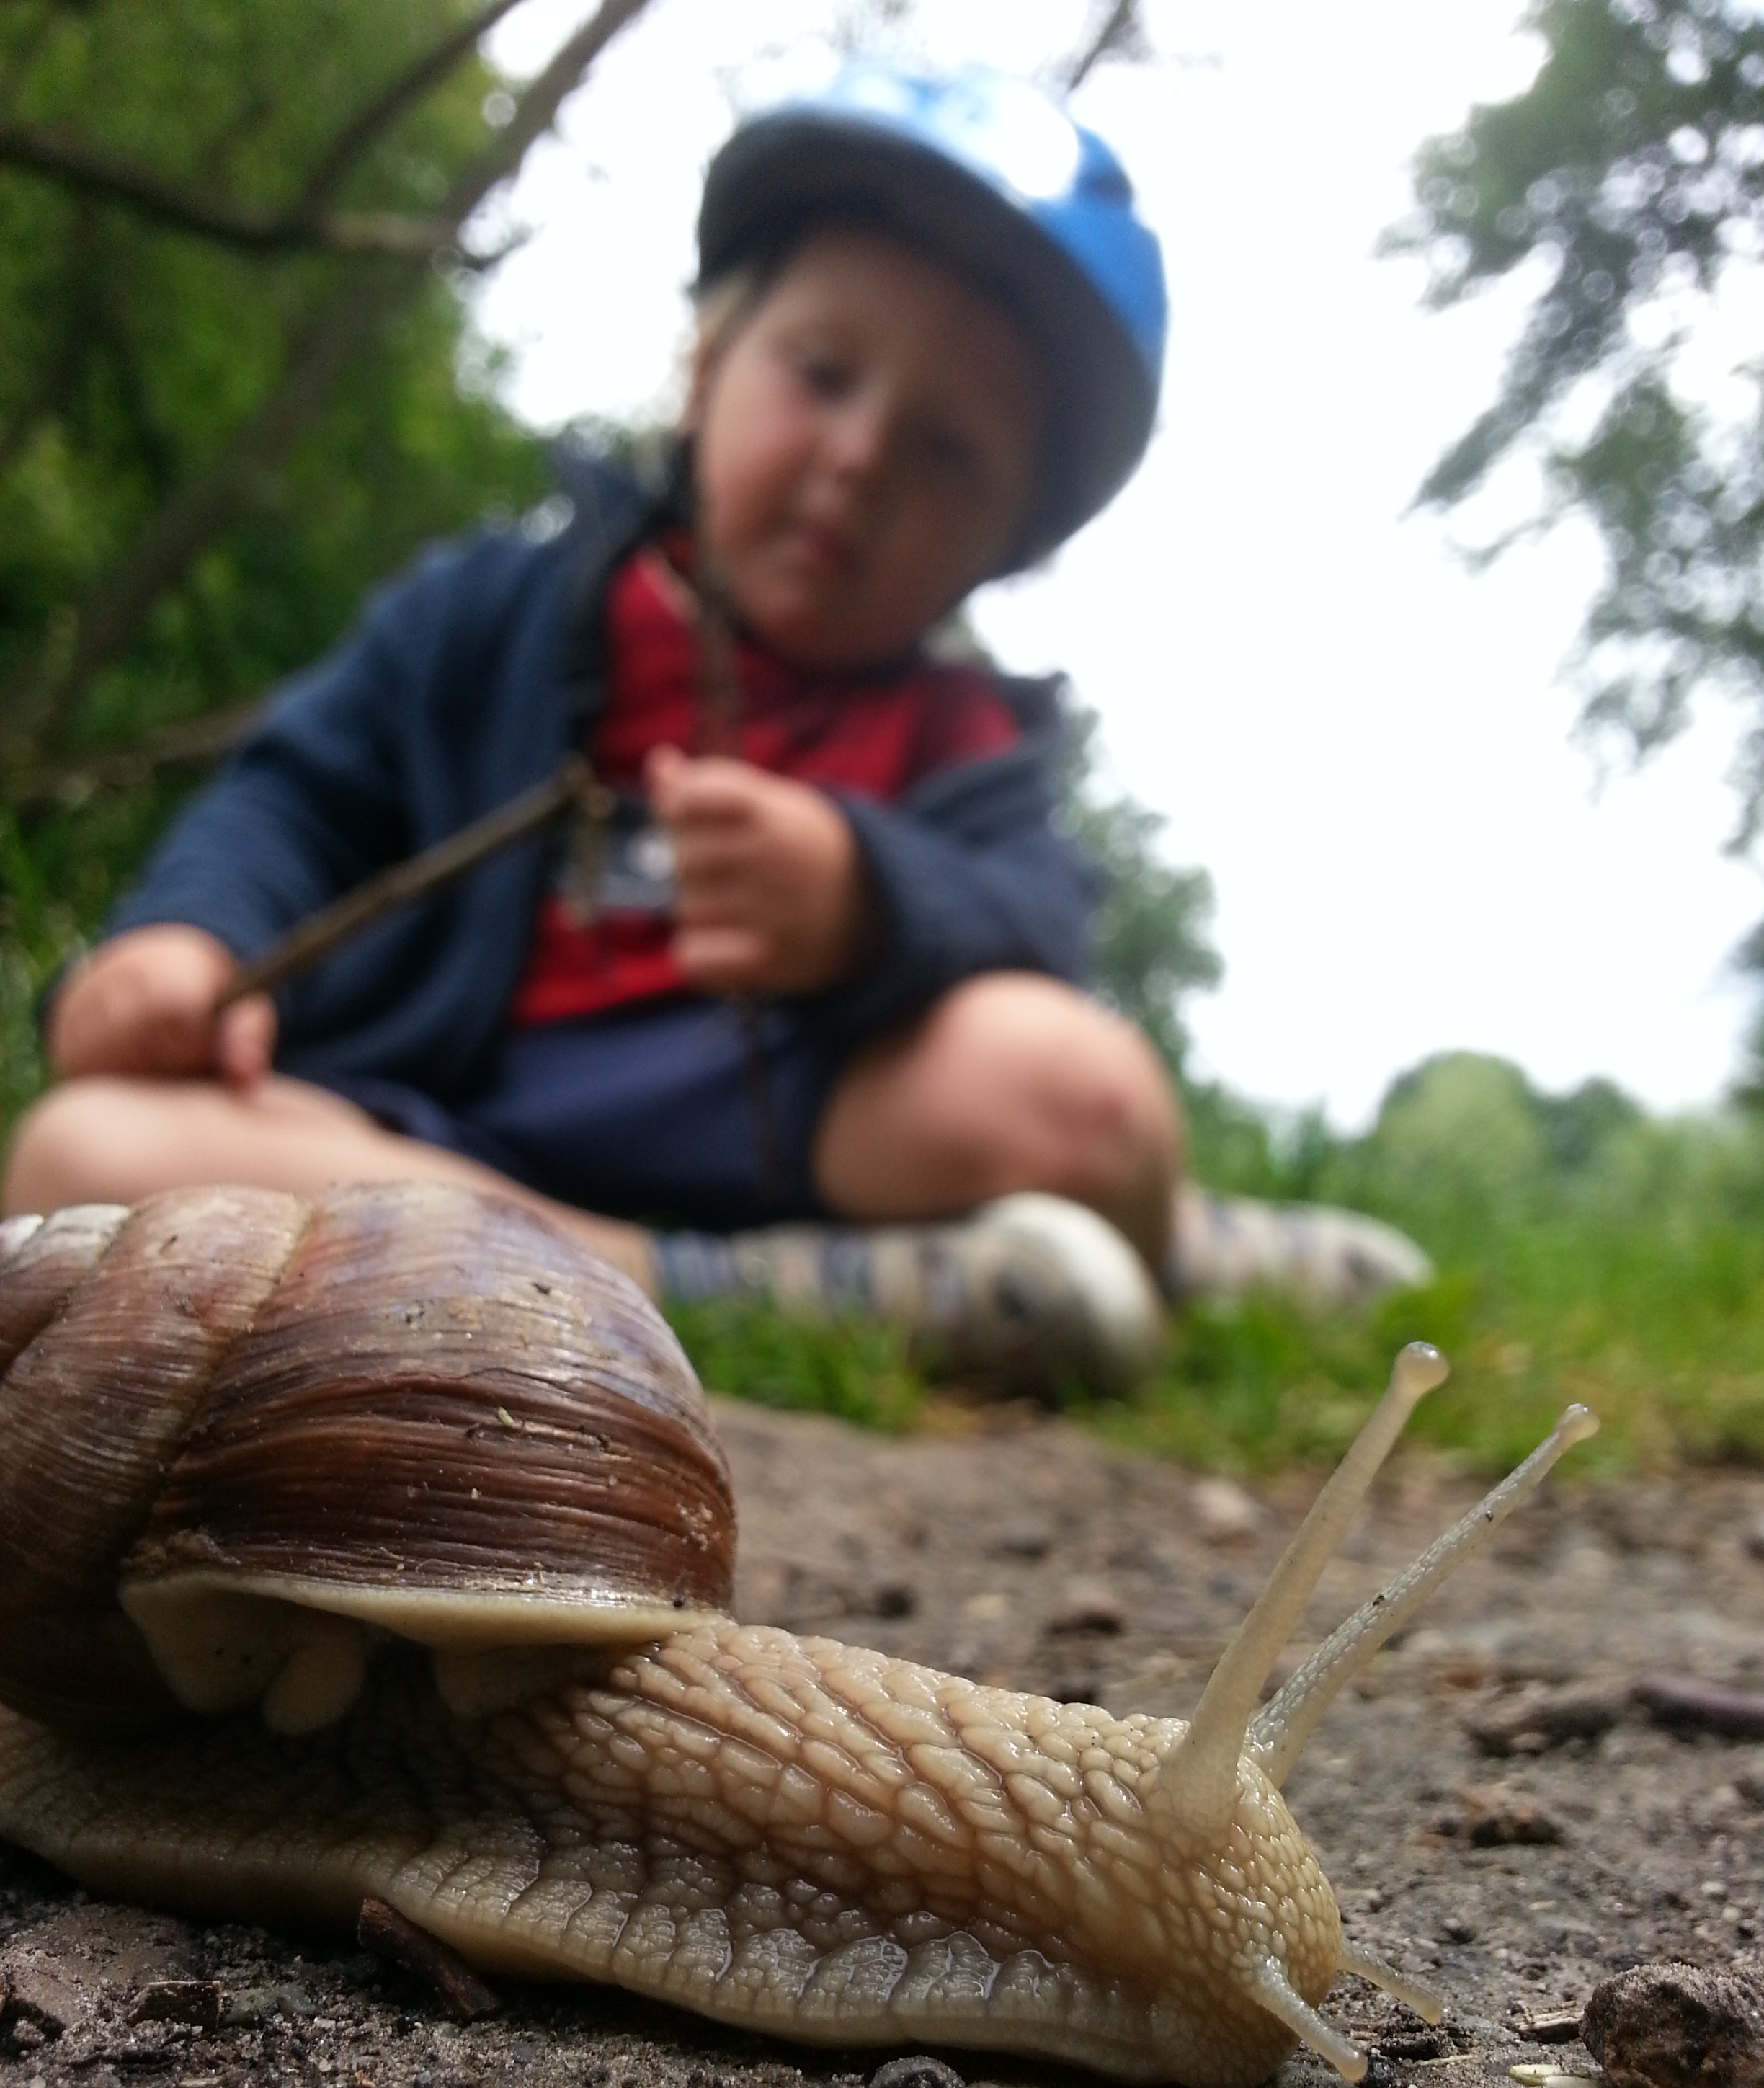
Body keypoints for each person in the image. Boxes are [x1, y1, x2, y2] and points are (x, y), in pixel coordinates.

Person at [2, 64, 1425, 1395]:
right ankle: (772, 1291)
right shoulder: (489, 609)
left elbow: (1036, 922)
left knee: (1090, 1098)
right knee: (78, 1156)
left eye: (947, 452)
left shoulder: (959, 731)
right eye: (822, 371)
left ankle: (1132, 1230)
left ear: (1008, 545)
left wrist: (869, 899)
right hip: (433, 1134)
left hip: (811, 1132)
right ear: (704, 364)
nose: (863, 456)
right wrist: (181, 942)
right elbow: (292, 802)